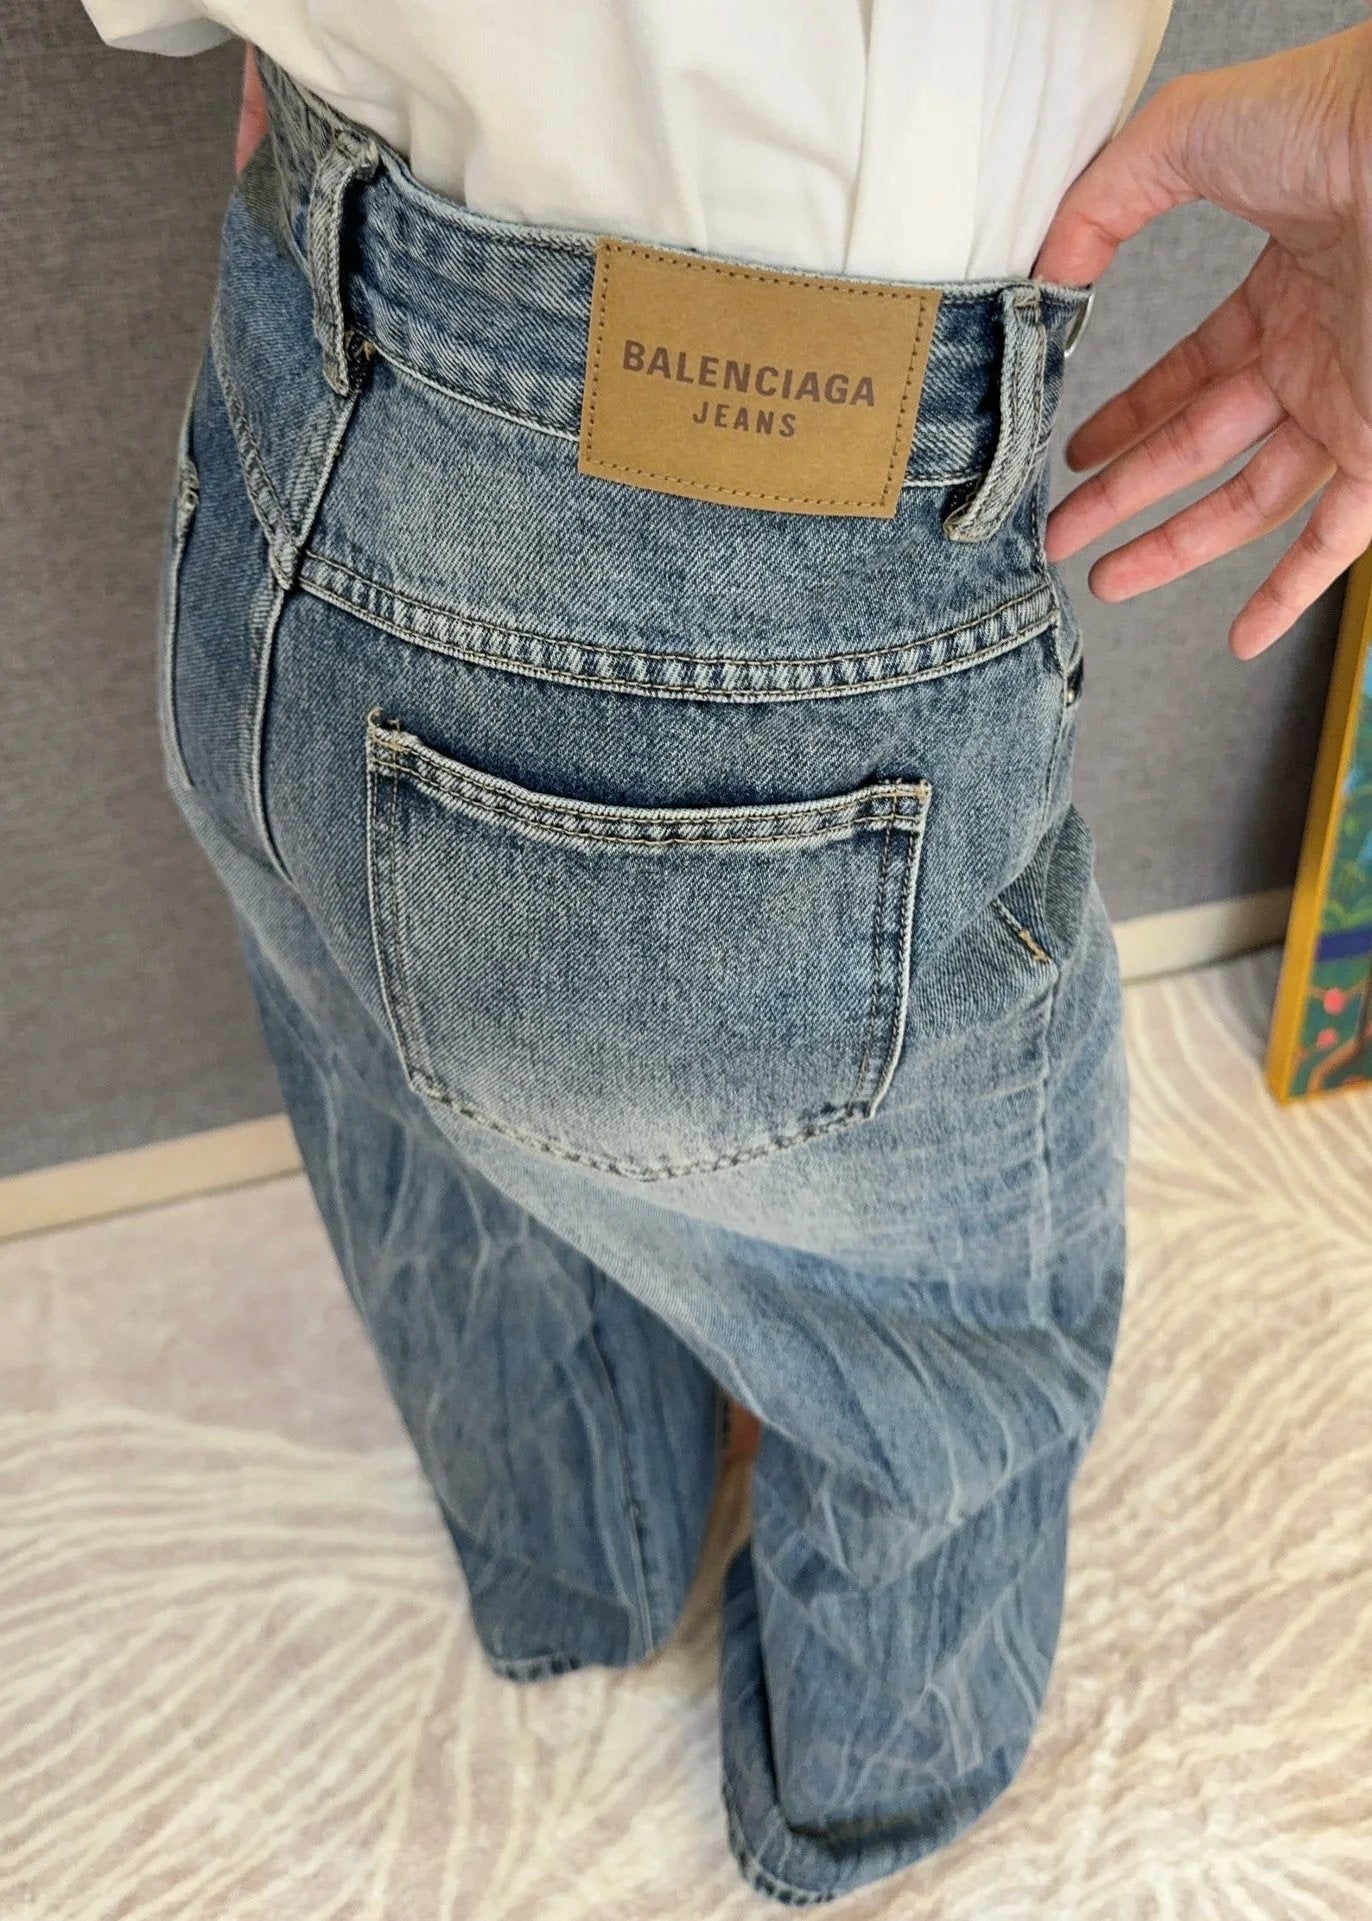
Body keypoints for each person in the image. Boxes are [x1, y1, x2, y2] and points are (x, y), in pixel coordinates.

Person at [77, 2, 1372, 1905]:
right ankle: (864, 1796)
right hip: (787, 520)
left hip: (287, 374)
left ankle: (572, 1564)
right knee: (941, 1325)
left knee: (419, 1099)